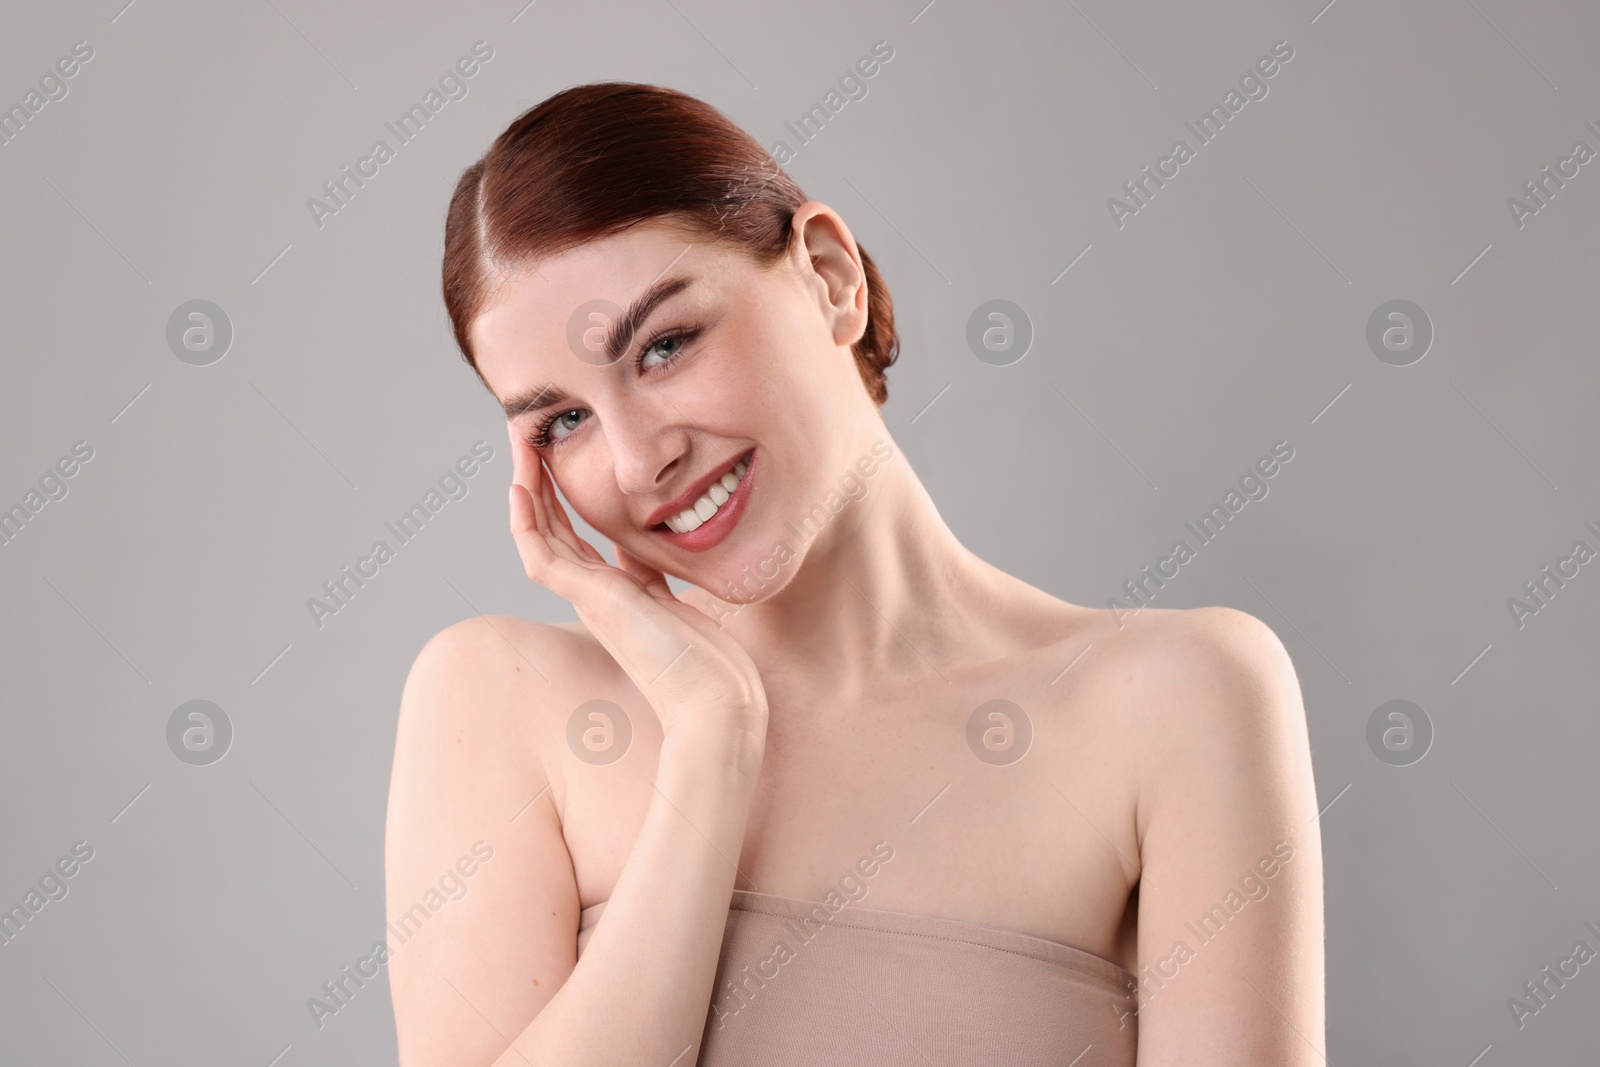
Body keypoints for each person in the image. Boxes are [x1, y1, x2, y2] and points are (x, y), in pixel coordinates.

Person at [384, 81, 1325, 1066]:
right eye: (561, 419)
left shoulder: (1177, 696)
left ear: (830, 278)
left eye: (664, 345)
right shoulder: (505, 699)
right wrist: (712, 748)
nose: (633, 460)